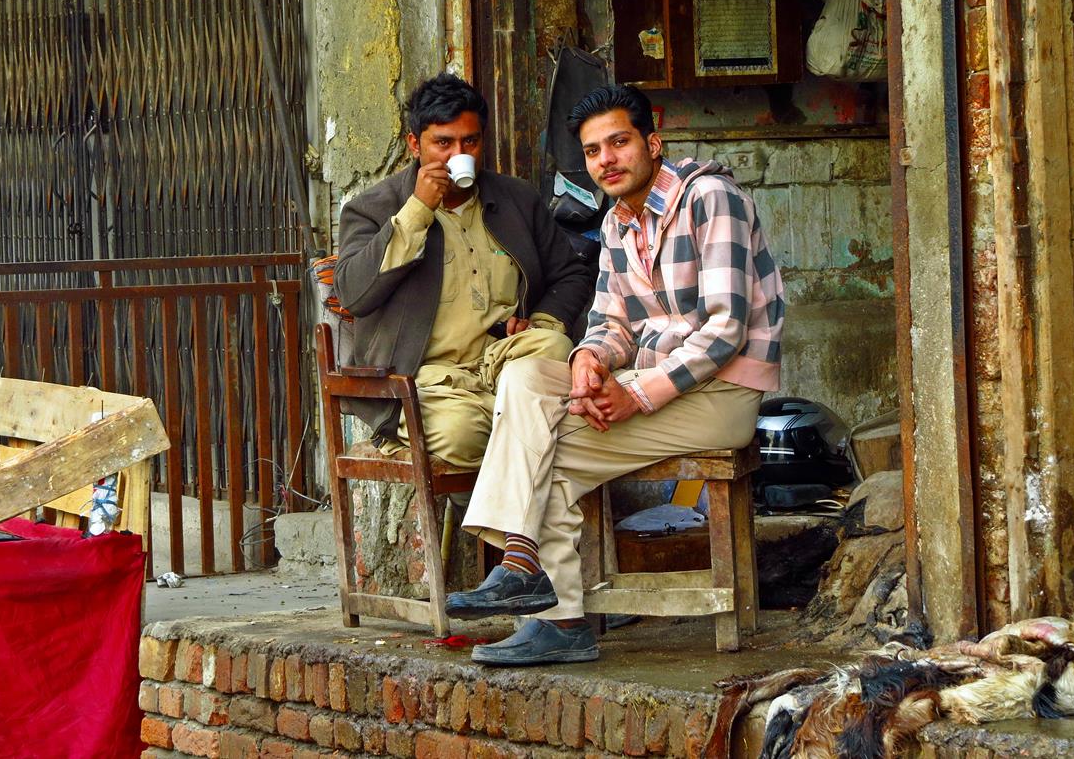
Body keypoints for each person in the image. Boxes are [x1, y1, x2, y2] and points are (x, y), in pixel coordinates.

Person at [446, 83, 786, 665]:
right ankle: (526, 571)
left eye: (619, 143)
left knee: (541, 451)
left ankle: (554, 612)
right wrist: (588, 361)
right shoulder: (615, 226)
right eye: (593, 151)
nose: (606, 159)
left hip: (723, 393)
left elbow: (726, 330)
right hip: (651, 384)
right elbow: (610, 323)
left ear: (653, 144)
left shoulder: (710, 199)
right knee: (527, 378)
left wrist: (637, 396)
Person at [334, 73, 593, 468]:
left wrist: (541, 320)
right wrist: (418, 210)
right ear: (414, 144)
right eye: (443, 143)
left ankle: (503, 502)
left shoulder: (516, 198)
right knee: (468, 433)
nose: (459, 154)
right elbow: (354, 292)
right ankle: (509, 500)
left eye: (469, 141)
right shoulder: (373, 208)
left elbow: (571, 274)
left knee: (556, 348)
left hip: (504, 367)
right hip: (426, 381)